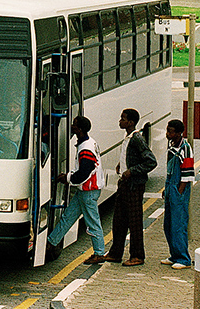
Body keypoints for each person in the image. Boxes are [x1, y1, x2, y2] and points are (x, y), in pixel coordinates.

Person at [46, 115, 106, 264]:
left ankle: (99, 253)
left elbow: (84, 172)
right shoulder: (87, 142)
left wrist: (67, 178)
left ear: (79, 129)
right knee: (68, 217)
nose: (71, 127)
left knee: (93, 222)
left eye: (74, 125)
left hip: (88, 191)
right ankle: (51, 243)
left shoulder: (85, 148)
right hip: (84, 190)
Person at [105, 109, 155, 266]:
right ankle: (115, 253)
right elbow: (131, 156)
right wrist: (122, 163)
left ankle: (137, 255)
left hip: (134, 186)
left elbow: (150, 161)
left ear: (131, 122)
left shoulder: (137, 139)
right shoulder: (127, 138)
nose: (120, 121)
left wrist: (131, 171)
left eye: (123, 119)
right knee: (119, 220)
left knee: (134, 222)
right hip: (124, 184)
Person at [161, 118, 194, 268]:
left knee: (178, 224)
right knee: (168, 224)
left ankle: (183, 258)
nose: (168, 134)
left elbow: (187, 174)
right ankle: (174, 254)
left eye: (171, 131)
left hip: (178, 190)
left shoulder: (185, 148)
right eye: (167, 130)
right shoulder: (172, 146)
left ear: (179, 133)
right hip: (170, 189)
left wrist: (179, 192)